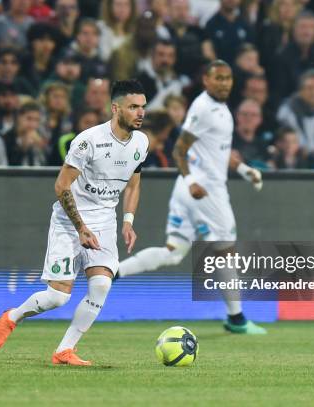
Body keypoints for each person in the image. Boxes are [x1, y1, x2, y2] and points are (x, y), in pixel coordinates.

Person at [0, 79, 149, 366]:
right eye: (133, 107)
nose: (140, 113)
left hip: (104, 222)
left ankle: (64, 350)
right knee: (57, 298)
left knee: (101, 285)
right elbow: (62, 186)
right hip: (69, 222)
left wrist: (128, 220)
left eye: (143, 107)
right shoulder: (88, 141)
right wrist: (80, 228)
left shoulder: (141, 142)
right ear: (115, 108)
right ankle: (12, 317)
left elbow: (134, 185)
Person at [114, 60, 266, 335]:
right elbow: (179, 150)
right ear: (206, 80)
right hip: (205, 190)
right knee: (226, 252)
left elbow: (217, 151)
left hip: (186, 190)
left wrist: (244, 170)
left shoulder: (221, 109)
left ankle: (114, 271)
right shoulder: (203, 107)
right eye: (218, 78)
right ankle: (237, 319)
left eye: (228, 78)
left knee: (173, 252)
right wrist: (193, 181)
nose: (224, 83)